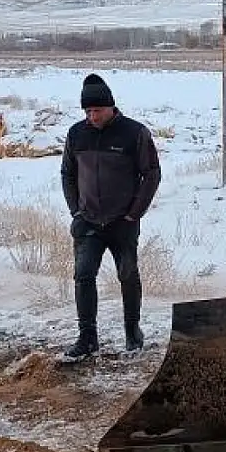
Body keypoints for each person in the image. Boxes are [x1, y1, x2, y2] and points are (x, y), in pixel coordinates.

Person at [61, 74, 162, 359]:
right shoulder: (76, 134)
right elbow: (68, 174)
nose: (92, 116)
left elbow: (151, 174)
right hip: (88, 221)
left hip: (122, 222)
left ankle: (132, 331)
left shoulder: (134, 133)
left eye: (97, 111)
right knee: (83, 275)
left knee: (127, 274)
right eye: (87, 111)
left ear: (111, 107)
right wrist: (76, 211)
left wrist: (134, 214)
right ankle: (87, 338)